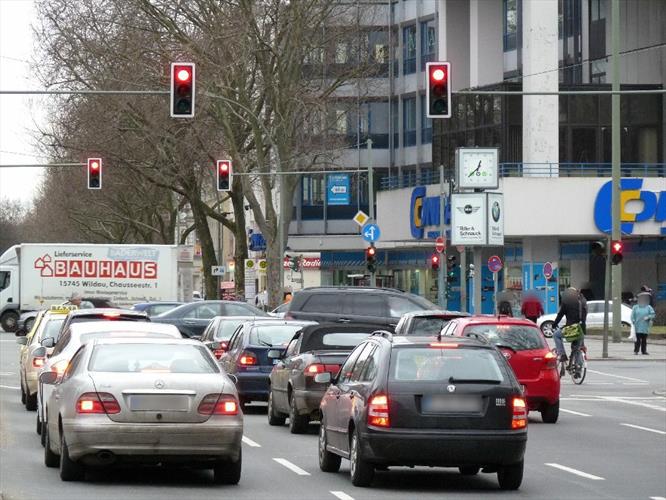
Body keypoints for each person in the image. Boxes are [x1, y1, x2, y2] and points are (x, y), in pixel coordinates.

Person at [552, 287, 587, 362]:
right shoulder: (583, 301)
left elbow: (560, 315)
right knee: (577, 348)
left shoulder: (567, 302)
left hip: (571, 328)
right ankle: (579, 366)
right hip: (581, 329)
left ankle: (563, 354)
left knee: (556, 335)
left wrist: (554, 325)